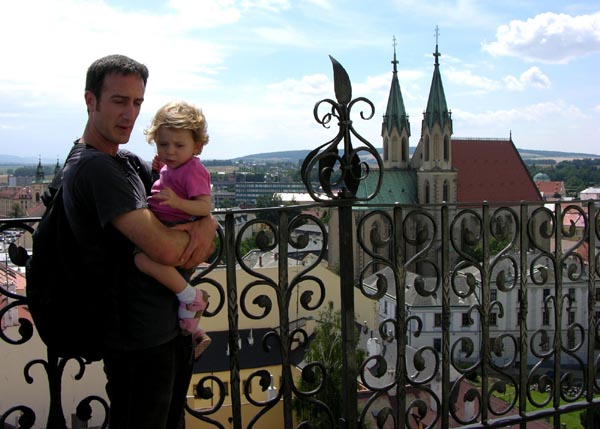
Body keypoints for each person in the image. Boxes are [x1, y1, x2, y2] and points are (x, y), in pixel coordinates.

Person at [61, 54, 217, 429]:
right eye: (119, 101)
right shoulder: (95, 168)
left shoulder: (127, 163)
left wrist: (207, 221)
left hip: (164, 328)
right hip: (137, 338)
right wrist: (203, 228)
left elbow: (197, 219)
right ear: (91, 101)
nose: (130, 113)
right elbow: (167, 250)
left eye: (137, 102)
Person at [135, 100, 213, 358]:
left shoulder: (193, 170)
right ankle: (195, 330)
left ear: (197, 146)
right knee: (169, 290)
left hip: (176, 230)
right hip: (168, 227)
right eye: (163, 144)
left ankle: (193, 297)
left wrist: (177, 202)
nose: (170, 151)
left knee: (141, 260)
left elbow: (204, 206)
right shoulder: (174, 166)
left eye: (179, 146)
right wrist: (160, 172)